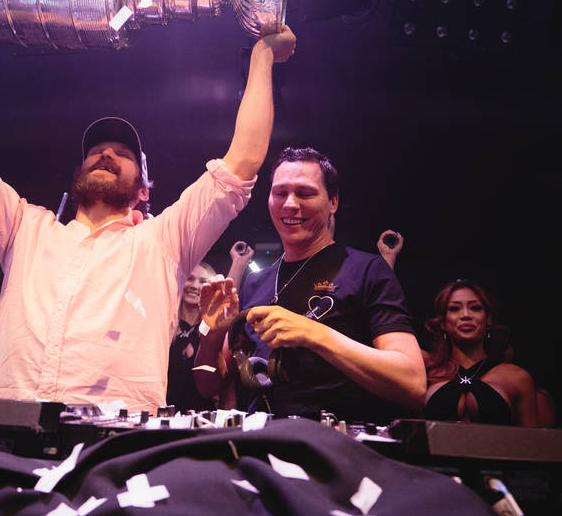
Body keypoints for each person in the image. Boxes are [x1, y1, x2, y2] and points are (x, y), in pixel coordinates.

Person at [0, 24, 295, 411]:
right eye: (97, 150)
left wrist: (262, 57)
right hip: (4, 427)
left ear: (143, 191)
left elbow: (242, 162)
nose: (106, 154)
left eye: (123, 153)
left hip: (112, 443)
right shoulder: (23, 228)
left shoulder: (163, 241)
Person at [194, 147, 425, 423]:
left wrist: (313, 333)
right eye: (280, 193)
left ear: (333, 202)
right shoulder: (256, 283)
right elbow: (209, 386)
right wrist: (211, 337)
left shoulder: (367, 271)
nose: (290, 204)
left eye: (305, 193)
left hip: (337, 448)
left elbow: (412, 382)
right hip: (261, 444)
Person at [421, 279, 538, 426]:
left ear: (488, 320)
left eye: (475, 308)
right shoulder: (427, 373)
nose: (465, 315)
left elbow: (531, 443)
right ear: (443, 323)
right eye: (454, 308)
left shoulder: (517, 378)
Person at [166, 262, 218, 412]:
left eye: (203, 282)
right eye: (190, 278)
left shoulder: (211, 329)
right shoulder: (165, 324)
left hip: (200, 417)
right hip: (162, 414)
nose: (195, 286)